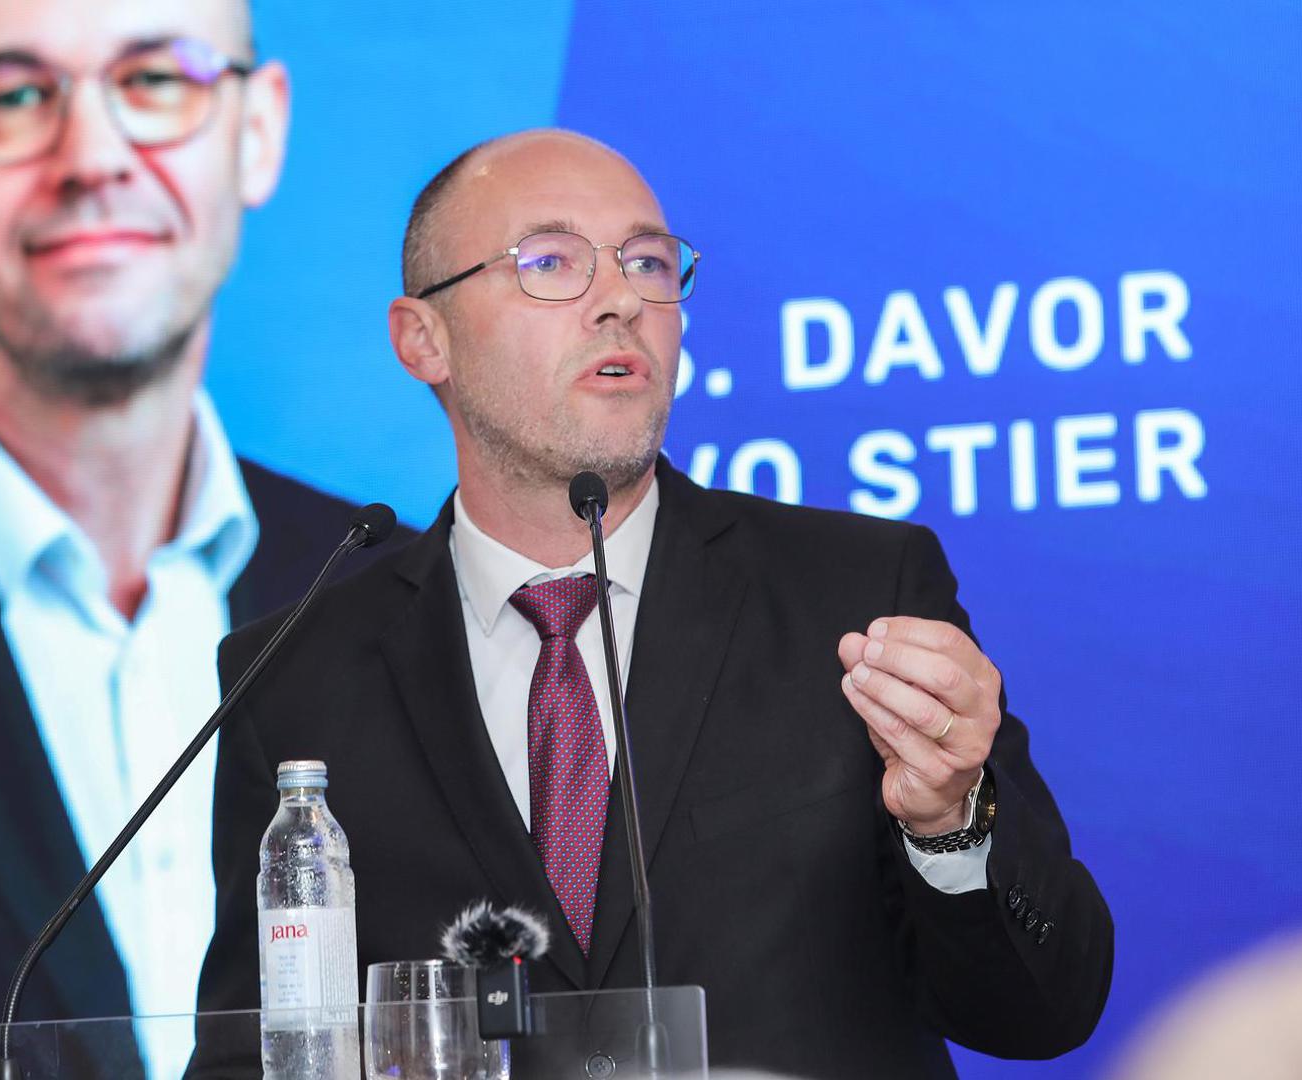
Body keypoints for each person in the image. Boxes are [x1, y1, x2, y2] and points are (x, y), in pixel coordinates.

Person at [195, 129, 1113, 1077]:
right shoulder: (296, 675)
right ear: (423, 340)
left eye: (648, 262)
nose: (623, 300)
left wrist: (952, 821)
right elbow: (246, 1054)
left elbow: (1045, 1009)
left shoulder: (856, 600)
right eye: (551, 262)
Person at [0, 1, 381, 1075]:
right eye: (14, 96)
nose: (91, 157)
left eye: (157, 79)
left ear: (259, 130)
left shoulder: (389, 595)